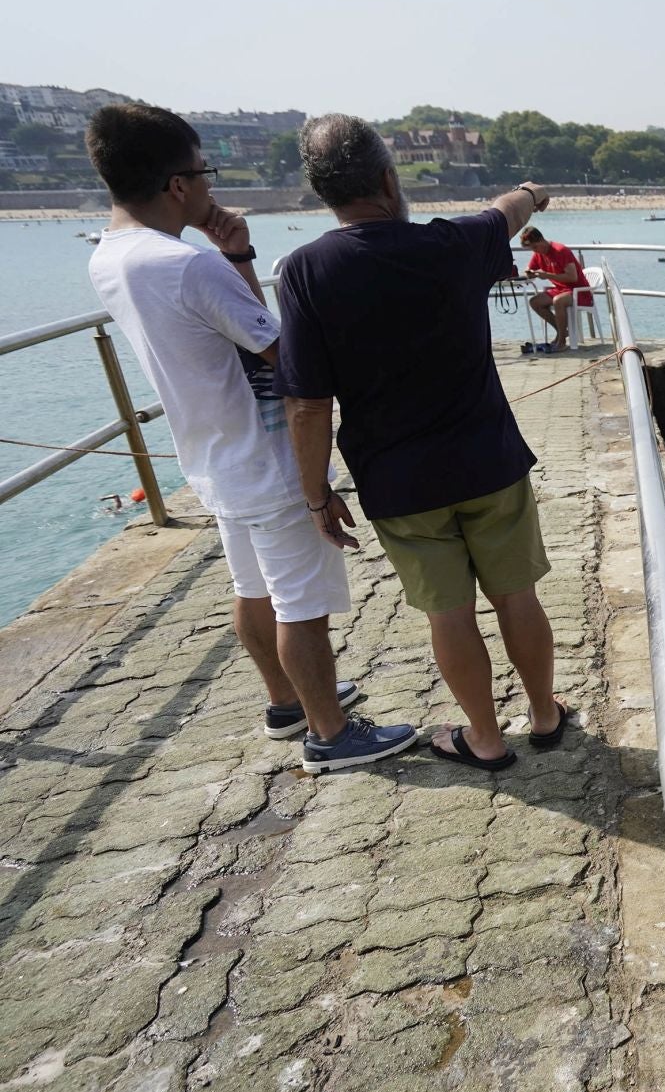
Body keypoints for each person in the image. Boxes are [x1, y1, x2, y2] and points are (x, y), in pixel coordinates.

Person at [83, 104, 415, 772]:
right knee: (302, 605)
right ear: (177, 184)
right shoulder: (183, 266)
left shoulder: (110, 258)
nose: (210, 186)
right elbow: (283, 353)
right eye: (203, 172)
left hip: (213, 455)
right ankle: (331, 733)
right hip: (269, 456)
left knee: (254, 588)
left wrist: (235, 253)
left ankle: (287, 702)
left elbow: (240, 327)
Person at [275, 114, 563, 773]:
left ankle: (485, 738)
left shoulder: (305, 270)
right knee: (518, 595)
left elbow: (306, 402)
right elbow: (507, 211)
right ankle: (545, 714)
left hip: (398, 481)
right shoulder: (452, 244)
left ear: (322, 192)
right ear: (387, 178)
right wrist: (532, 190)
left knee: (449, 611)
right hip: (490, 459)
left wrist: (316, 493)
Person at [519, 226, 586, 352]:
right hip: (560, 290)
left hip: (578, 290)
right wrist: (529, 272)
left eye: (534, 247)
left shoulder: (560, 250)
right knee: (535, 302)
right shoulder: (538, 254)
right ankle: (562, 332)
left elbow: (573, 277)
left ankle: (561, 342)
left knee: (558, 301)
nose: (534, 251)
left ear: (540, 240)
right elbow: (529, 268)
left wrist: (547, 275)